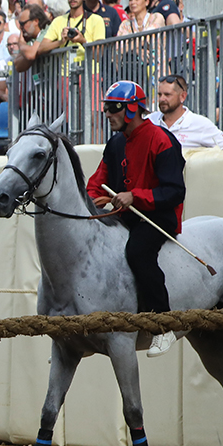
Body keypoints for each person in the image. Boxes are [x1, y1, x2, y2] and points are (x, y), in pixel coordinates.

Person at [87, 81, 186, 358]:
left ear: (132, 109)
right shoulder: (116, 142)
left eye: (113, 108)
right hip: (125, 216)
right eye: (106, 108)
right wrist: (90, 201)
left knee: (138, 251)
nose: (107, 113)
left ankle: (163, 326)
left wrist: (135, 196)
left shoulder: (162, 139)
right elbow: (98, 182)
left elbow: (175, 191)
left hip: (157, 218)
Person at [147, 75, 223, 150]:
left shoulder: (200, 124)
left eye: (167, 95)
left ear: (183, 96)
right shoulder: (149, 120)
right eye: (159, 94)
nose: (162, 99)